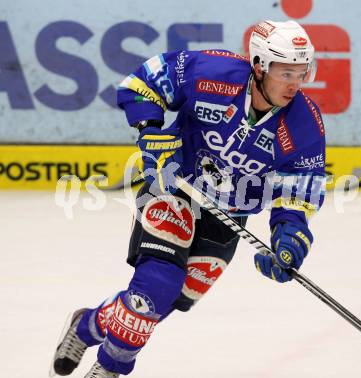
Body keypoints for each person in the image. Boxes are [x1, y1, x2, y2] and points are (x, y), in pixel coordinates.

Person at [51, 20, 326, 377]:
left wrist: (290, 234)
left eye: (301, 73)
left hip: (229, 213)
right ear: (259, 66)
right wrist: (150, 130)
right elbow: (142, 82)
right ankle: (111, 367)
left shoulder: (304, 122)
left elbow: (299, 190)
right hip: (174, 187)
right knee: (156, 286)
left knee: (170, 300)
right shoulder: (213, 72)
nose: (295, 84)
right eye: (285, 72)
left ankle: (87, 325)